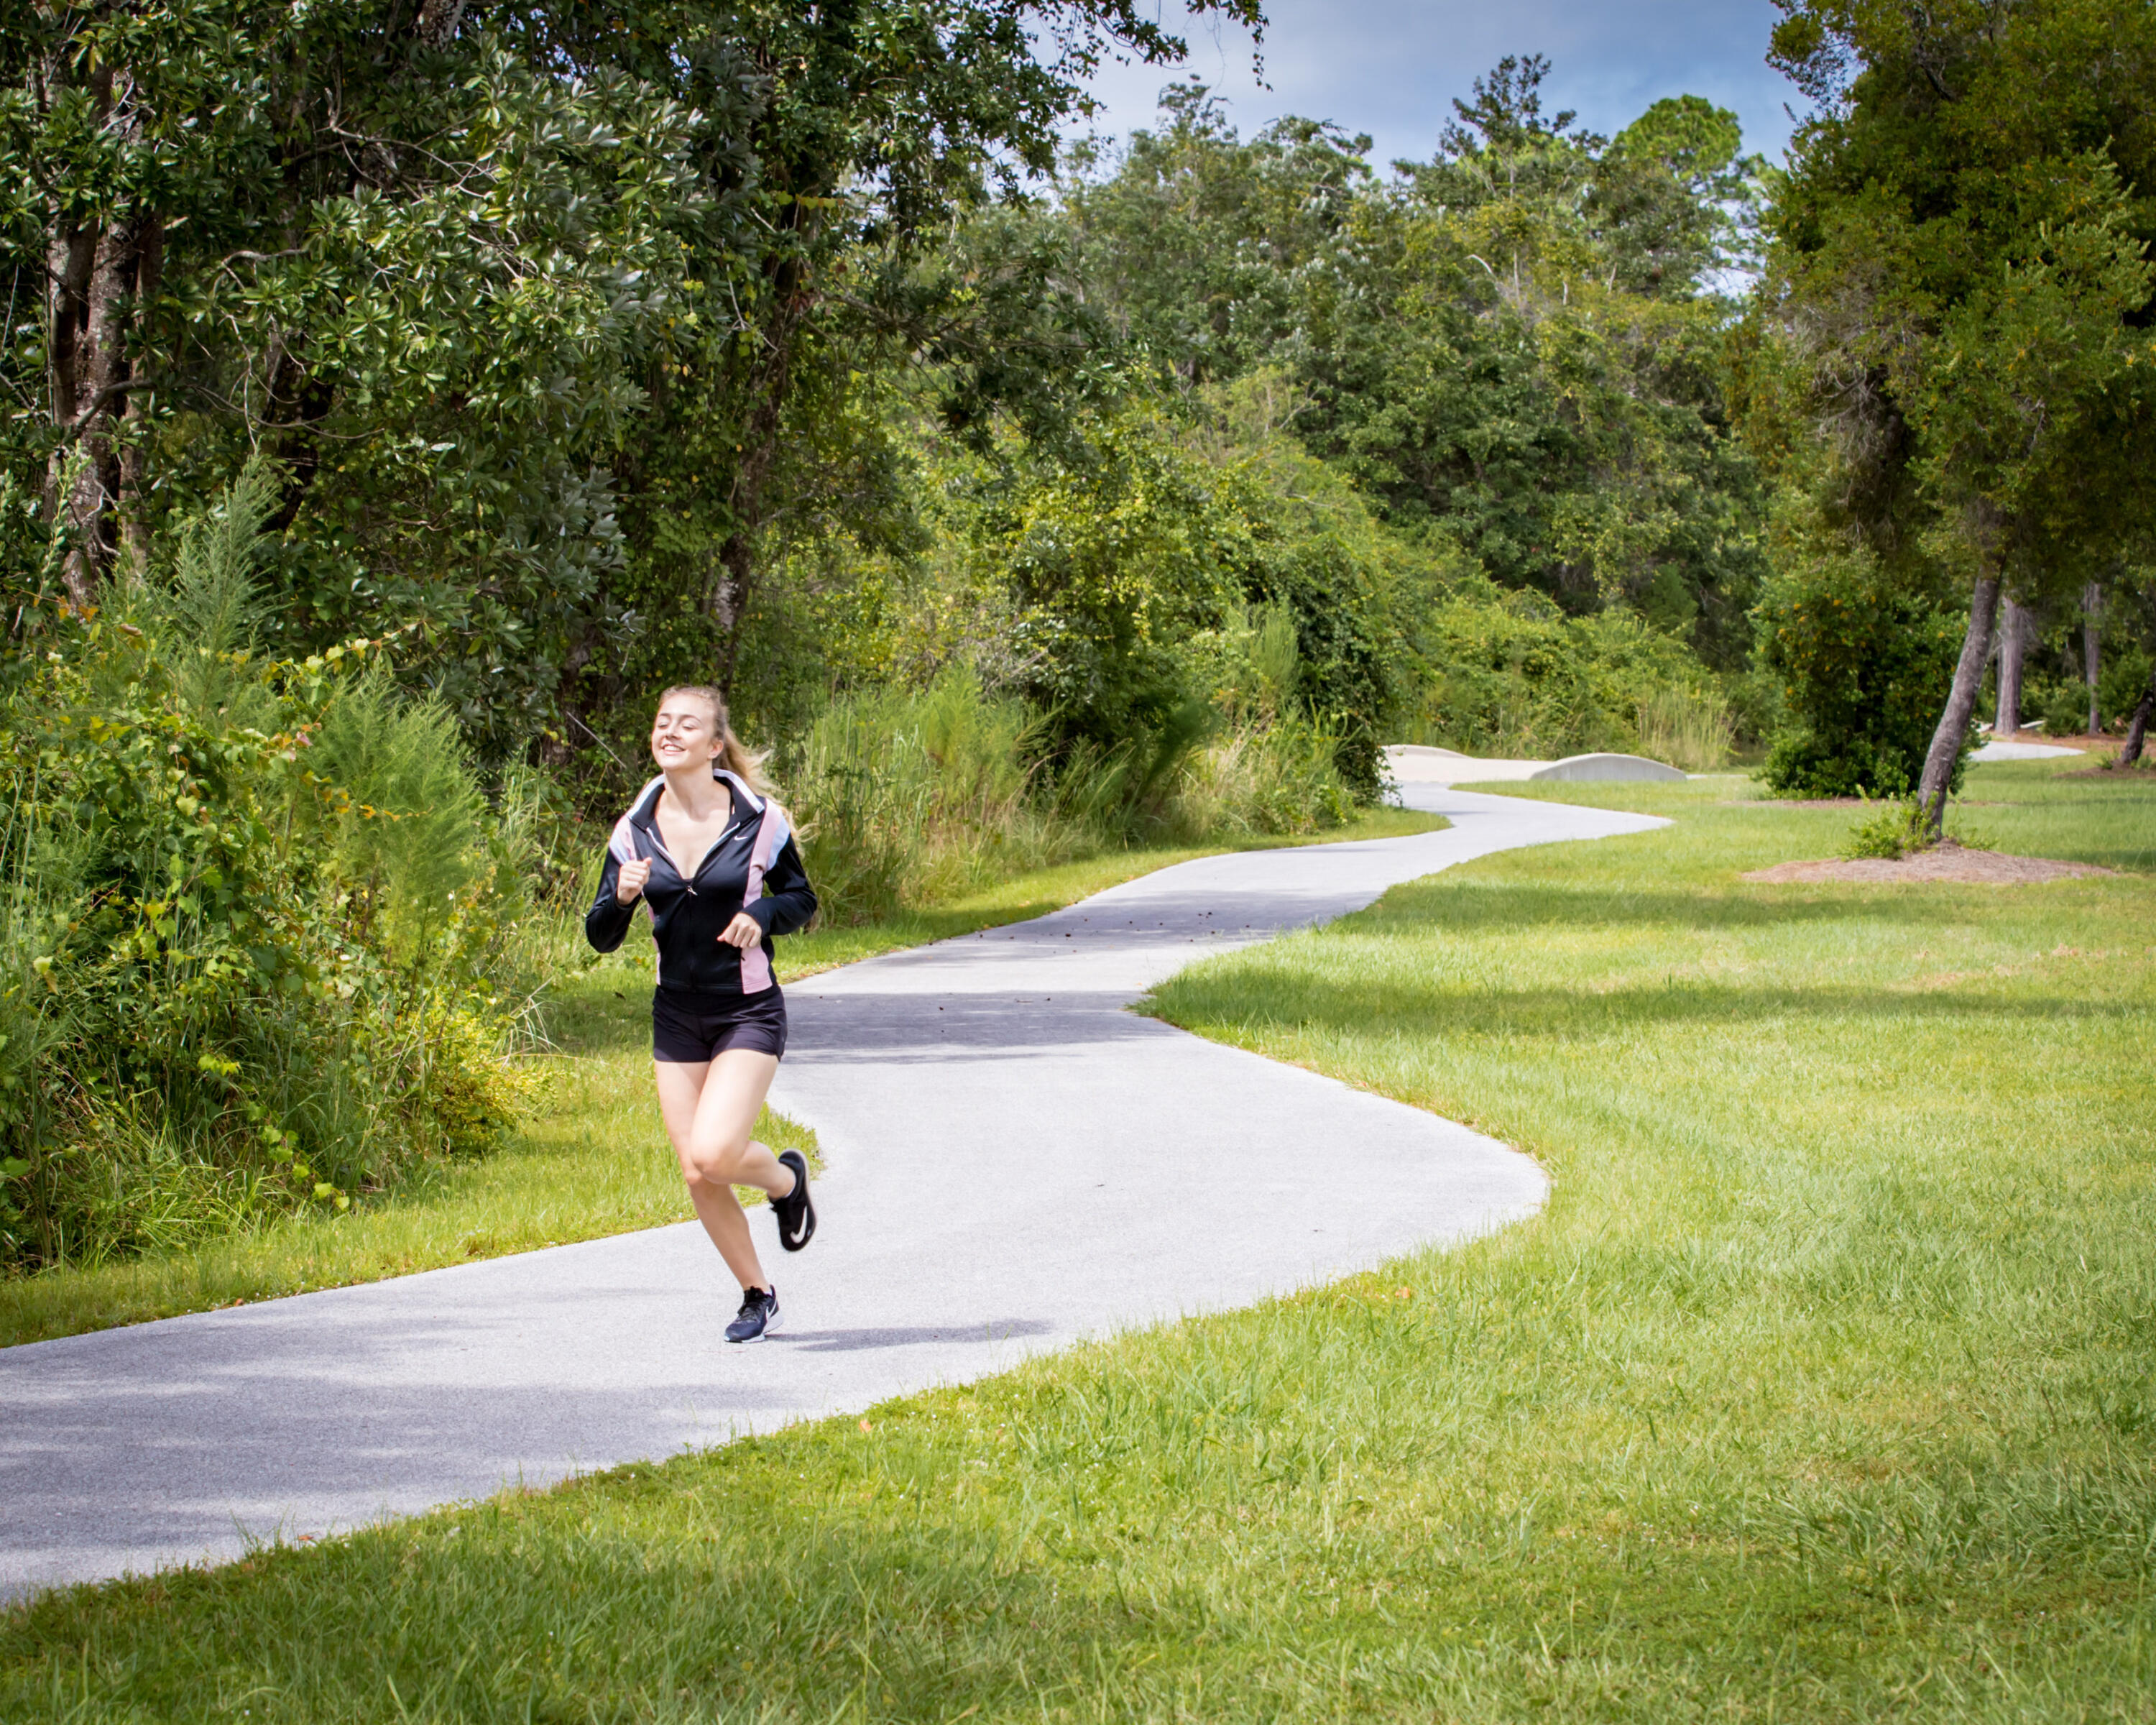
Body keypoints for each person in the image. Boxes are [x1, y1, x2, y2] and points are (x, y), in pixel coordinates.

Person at [585, 685, 819, 1343]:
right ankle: (757, 1292)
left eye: (687, 725)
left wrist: (762, 914)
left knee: (715, 1152)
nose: (670, 732)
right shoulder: (632, 831)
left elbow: (801, 899)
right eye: (662, 722)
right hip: (677, 1014)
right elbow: (600, 934)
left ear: (715, 746)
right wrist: (622, 899)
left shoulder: (759, 819)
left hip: (747, 1009)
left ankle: (783, 1179)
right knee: (696, 1169)